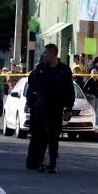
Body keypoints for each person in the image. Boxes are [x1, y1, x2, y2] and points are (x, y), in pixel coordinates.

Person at [25, 44, 75, 173]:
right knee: (40, 137)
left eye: (46, 53)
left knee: (53, 138)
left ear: (53, 54)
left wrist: (69, 108)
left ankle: (53, 164)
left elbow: (70, 90)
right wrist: (30, 104)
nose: (43, 55)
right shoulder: (40, 69)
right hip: (40, 110)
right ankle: (40, 162)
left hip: (56, 109)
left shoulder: (64, 70)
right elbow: (31, 88)